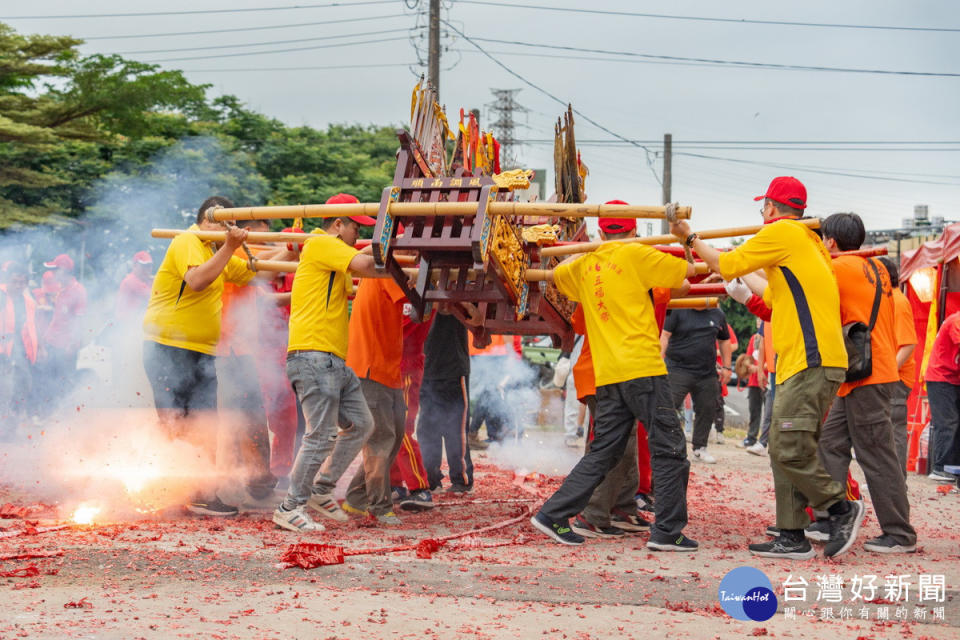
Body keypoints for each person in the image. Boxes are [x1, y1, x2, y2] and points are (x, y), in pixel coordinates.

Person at [672, 176, 862, 559]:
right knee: (783, 448)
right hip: (806, 362)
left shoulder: (784, 233)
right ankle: (792, 534)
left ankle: (840, 507)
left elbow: (728, 262)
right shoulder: (804, 242)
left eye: (763, 209)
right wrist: (737, 283)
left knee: (789, 448)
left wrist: (690, 238)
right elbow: (770, 294)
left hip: (810, 362)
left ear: (771, 209)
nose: (762, 215)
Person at [531, 212, 698, 550]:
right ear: (635, 229)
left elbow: (558, 273)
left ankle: (553, 513)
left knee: (604, 452)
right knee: (670, 447)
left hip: (607, 375)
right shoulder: (638, 253)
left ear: (600, 232)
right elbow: (689, 274)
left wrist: (584, 250)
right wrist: (686, 239)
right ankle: (668, 531)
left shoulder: (584, 265)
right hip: (642, 368)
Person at [142, 196, 259, 516]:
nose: (227, 233)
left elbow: (250, 271)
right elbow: (196, 280)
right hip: (170, 348)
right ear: (208, 221)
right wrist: (229, 247)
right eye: (224, 226)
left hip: (202, 352)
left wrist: (287, 251)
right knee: (177, 421)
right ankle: (179, 490)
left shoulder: (212, 249)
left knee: (205, 422)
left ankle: (198, 492)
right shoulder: (188, 240)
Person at [272, 198, 381, 532]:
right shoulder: (321, 243)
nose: (357, 233)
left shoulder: (330, 255)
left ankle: (320, 489)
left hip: (332, 359)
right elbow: (367, 267)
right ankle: (290, 506)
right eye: (355, 226)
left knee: (362, 425)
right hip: (314, 356)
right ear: (337, 225)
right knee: (320, 436)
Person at [814, 213, 917, 554]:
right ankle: (830, 516)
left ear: (830, 241)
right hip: (861, 375)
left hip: (870, 376)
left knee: (877, 454)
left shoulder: (840, 268)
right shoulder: (873, 267)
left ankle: (899, 533)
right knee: (830, 442)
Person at [342, 276, 408, 525]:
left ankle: (357, 498)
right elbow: (419, 305)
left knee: (394, 436)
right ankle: (379, 506)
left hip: (388, 371)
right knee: (381, 439)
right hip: (370, 368)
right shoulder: (384, 271)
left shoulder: (388, 271)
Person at [660, 306, 732, 464]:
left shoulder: (717, 313)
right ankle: (666, 446)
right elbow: (665, 335)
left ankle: (700, 448)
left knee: (707, 409)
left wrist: (727, 367)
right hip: (678, 368)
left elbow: (725, 340)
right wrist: (658, 359)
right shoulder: (678, 309)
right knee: (667, 407)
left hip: (706, 372)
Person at [418, 310, 473, 493]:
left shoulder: (458, 289)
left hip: (453, 368)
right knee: (427, 429)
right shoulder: (417, 289)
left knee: (456, 429)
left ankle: (461, 479)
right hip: (426, 367)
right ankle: (431, 478)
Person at [389, 305, 435, 511]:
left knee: (402, 431)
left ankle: (419, 488)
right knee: (387, 430)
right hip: (387, 366)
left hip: (405, 367)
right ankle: (394, 484)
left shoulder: (422, 292)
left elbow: (394, 331)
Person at [877, 256, 917, 473]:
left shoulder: (898, 302)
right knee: (887, 430)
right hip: (890, 375)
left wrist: (889, 372)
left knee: (893, 429)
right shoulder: (889, 299)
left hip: (896, 378)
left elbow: (908, 344)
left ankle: (897, 479)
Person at [40, 253, 87, 401]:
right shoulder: (62, 289)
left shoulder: (78, 290)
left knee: (64, 383)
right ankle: (51, 415)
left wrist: (72, 344)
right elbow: (58, 318)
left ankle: (64, 417)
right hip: (53, 343)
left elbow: (79, 321)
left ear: (64, 271)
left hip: (65, 346)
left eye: (55, 270)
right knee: (50, 381)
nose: (52, 273)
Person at [0, 263, 38, 438]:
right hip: (2, 350)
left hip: (19, 350)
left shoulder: (29, 302)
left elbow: (30, 326)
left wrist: (38, 347)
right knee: (4, 389)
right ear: (7, 279)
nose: (18, 286)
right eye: (15, 281)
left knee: (24, 384)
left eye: (22, 282)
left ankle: (10, 428)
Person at [923, 311, 960, 482]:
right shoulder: (957, 321)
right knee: (947, 423)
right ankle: (941, 468)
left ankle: (952, 467)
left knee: (953, 423)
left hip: (953, 379)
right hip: (941, 378)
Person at [740, 318, 767, 449]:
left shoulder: (770, 337)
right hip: (753, 381)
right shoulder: (753, 339)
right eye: (757, 320)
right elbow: (748, 357)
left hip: (767, 379)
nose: (758, 322)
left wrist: (760, 368)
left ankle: (766, 440)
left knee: (770, 412)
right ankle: (751, 438)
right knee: (754, 411)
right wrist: (747, 366)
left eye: (761, 320)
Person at [115, 251, 154, 322]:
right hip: (126, 324)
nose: (148, 269)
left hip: (136, 322)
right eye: (144, 266)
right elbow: (153, 297)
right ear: (135, 265)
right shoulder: (130, 280)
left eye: (149, 265)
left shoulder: (145, 280)